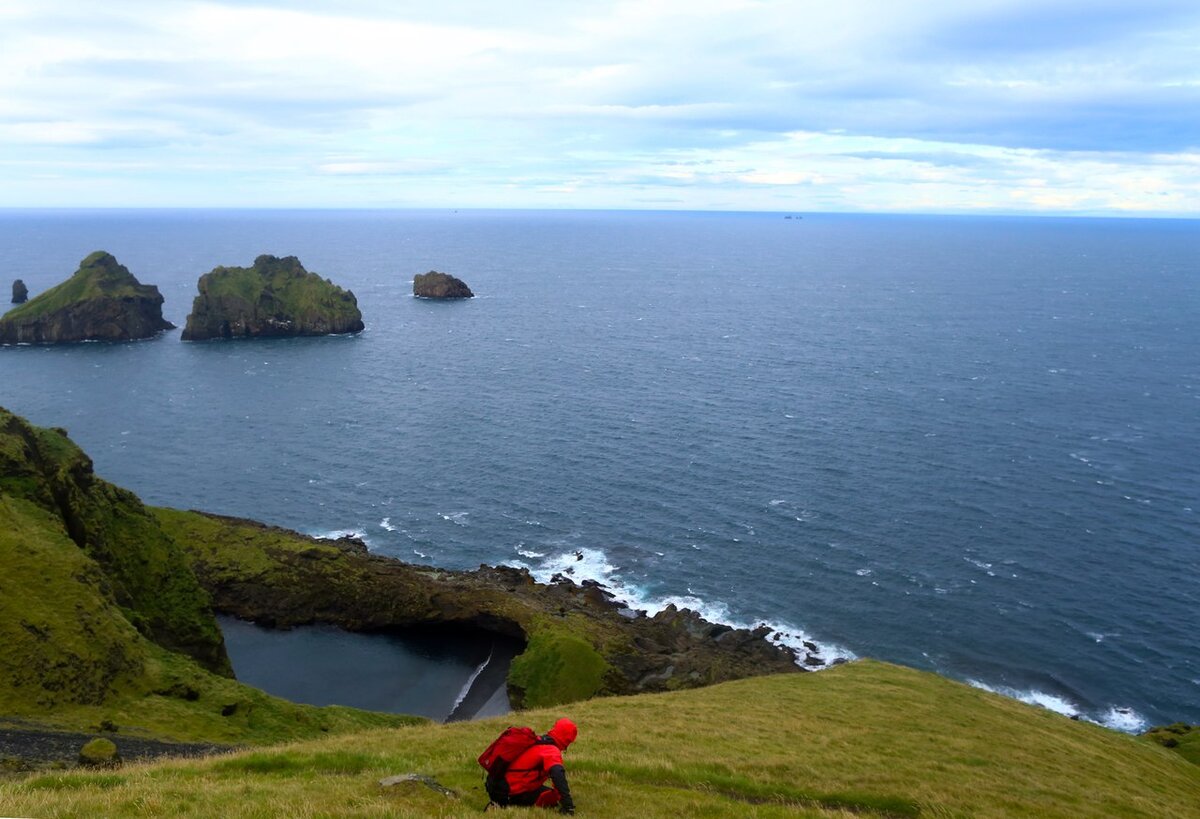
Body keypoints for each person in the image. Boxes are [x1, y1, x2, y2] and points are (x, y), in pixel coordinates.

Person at [501, 718, 577, 814]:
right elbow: (558, 775)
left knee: (550, 792)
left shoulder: (538, 741)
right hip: (513, 792)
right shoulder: (551, 750)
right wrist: (568, 805)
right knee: (553, 797)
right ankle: (510, 803)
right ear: (567, 740)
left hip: (500, 787)